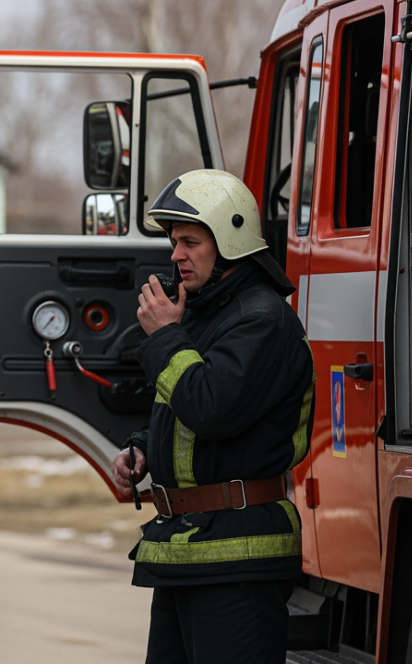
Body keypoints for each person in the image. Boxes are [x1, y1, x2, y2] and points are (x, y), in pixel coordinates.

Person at [109, 169, 314, 664]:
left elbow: (211, 408)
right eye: (175, 242)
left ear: (230, 240)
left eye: (190, 241)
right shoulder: (203, 318)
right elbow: (182, 408)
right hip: (192, 551)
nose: (176, 255)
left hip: (238, 556)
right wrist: (142, 446)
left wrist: (163, 338)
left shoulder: (260, 320)